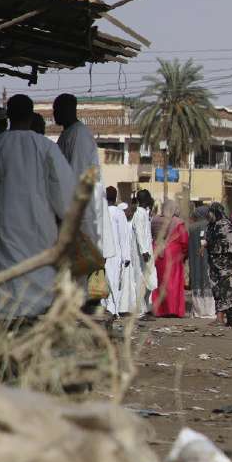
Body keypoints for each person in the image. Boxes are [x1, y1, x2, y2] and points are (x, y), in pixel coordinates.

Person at [0, 94, 76, 317]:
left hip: (4, 230)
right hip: (39, 229)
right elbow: (65, 192)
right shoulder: (45, 148)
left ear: (9, 115)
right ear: (31, 117)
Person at [53, 93, 115, 273]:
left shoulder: (79, 135)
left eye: (57, 110)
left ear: (68, 109)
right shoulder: (67, 134)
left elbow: (76, 177)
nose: (54, 114)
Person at [204, 202, 232, 328]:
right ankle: (225, 319)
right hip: (214, 263)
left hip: (227, 264)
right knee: (218, 290)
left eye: (211, 212)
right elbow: (210, 240)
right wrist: (204, 246)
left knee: (227, 290)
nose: (209, 214)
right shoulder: (211, 226)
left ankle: (224, 318)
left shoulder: (226, 226)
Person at [151, 200, 189, 318]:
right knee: (172, 282)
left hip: (157, 252)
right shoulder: (178, 223)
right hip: (173, 255)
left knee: (159, 282)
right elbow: (184, 240)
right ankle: (172, 309)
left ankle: (159, 310)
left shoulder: (155, 220)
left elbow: (151, 235)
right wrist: (185, 254)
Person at [102, 187, 134, 316]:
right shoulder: (118, 213)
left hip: (104, 252)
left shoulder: (101, 212)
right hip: (115, 254)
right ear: (115, 198)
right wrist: (126, 256)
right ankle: (113, 310)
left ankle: (109, 309)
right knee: (114, 282)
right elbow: (124, 236)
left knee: (105, 281)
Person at [130, 190, 159, 318]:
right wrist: (144, 251)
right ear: (145, 200)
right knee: (141, 280)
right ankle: (140, 311)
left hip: (147, 252)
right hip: (142, 254)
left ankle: (146, 308)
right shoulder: (138, 214)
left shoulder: (144, 214)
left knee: (149, 280)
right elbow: (140, 234)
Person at [187, 206, 215, 318]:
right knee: (208, 281)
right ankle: (208, 310)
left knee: (197, 280)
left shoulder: (192, 227)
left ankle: (198, 310)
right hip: (207, 258)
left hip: (195, 260)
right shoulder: (209, 226)